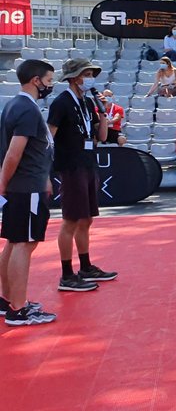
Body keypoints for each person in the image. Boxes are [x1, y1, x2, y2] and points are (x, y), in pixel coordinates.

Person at [0, 60, 58, 326]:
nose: (51, 85)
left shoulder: (14, 105)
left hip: (25, 185)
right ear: (36, 80)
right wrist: (3, 183)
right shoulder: (26, 108)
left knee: (14, 242)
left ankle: (8, 300)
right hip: (26, 188)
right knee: (24, 244)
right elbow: (14, 152)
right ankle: (18, 309)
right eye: (49, 80)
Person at [48, 58, 113, 292]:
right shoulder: (61, 103)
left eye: (91, 74)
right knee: (71, 220)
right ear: (74, 78)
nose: (90, 78)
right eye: (87, 74)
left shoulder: (87, 102)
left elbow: (101, 137)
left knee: (86, 219)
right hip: (71, 166)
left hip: (88, 164)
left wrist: (103, 112)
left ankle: (85, 267)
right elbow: (49, 137)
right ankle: (66, 274)